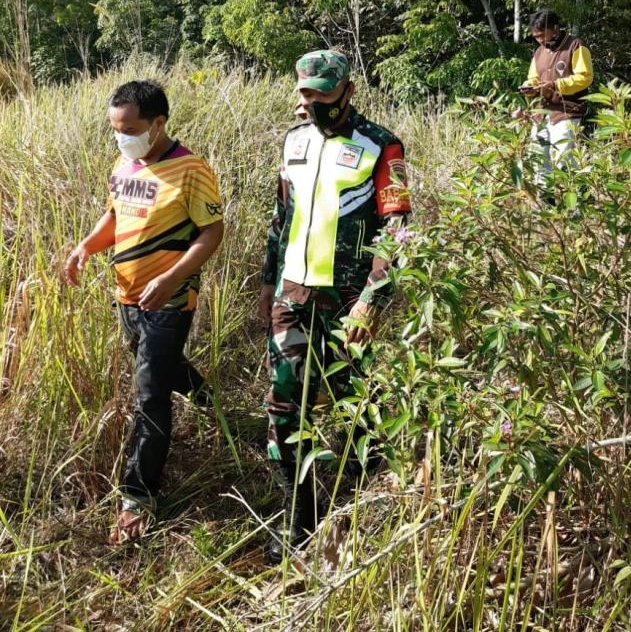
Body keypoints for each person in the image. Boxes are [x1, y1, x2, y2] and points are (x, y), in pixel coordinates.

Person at [259, 49, 411, 563]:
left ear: (347, 89)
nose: (313, 102)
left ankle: (368, 509)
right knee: (284, 410)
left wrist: (371, 301)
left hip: (347, 304)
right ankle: (298, 519)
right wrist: (267, 284)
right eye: (306, 92)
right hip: (292, 295)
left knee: (357, 408)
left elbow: (399, 231)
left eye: (323, 92)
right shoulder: (293, 141)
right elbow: (281, 220)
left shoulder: (382, 147)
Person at [64, 80, 224, 543]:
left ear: (158, 124)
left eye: (130, 128)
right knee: (160, 365)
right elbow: (115, 215)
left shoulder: (190, 169)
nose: (121, 136)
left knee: (149, 395)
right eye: (115, 128)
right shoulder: (125, 162)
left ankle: (138, 496)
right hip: (127, 295)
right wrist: (86, 247)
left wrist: (172, 277)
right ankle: (210, 402)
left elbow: (211, 233)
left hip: (169, 299)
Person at [520, 10, 594, 185]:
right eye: (536, 37)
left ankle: (572, 209)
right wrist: (529, 87)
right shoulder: (539, 52)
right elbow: (533, 77)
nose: (539, 40)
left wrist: (556, 85)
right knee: (538, 162)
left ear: (555, 28)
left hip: (566, 113)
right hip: (540, 114)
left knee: (564, 162)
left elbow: (585, 77)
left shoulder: (576, 46)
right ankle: (545, 207)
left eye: (542, 35)